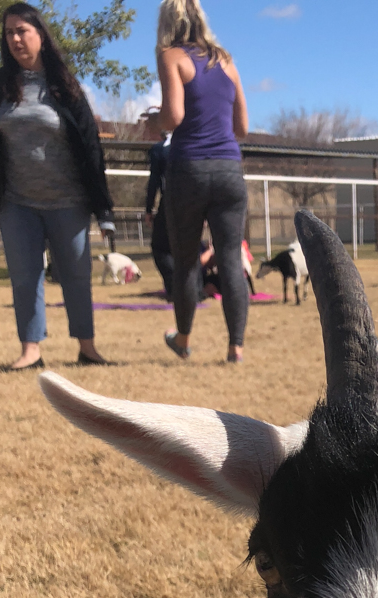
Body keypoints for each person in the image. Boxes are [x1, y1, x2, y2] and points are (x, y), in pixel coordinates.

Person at [0, 3, 113, 370]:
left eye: (23, 31)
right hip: (16, 202)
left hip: (69, 200)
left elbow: (90, 145)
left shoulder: (64, 83)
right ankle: (31, 350)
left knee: (76, 276)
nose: (16, 39)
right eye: (9, 33)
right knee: (24, 276)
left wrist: (104, 208)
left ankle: (87, 347)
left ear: (40, 34)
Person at [157, 0, 250, 364]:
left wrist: (156, 122)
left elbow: (173, 116)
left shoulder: (171, 56)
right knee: (229, 258)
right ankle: (235, 347)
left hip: (189, 169)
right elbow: (241, 128)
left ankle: (182, 339)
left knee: (186, 261)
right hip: (229, 169)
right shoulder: (225, 60)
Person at [146, 131, 175, 299]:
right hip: (195, 200)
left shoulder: (160, 150)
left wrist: (149, 209)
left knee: (160, 247)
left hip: (171, 200)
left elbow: (154, 181)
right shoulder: (195, 143)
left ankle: (174, 289)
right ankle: (194, 287)